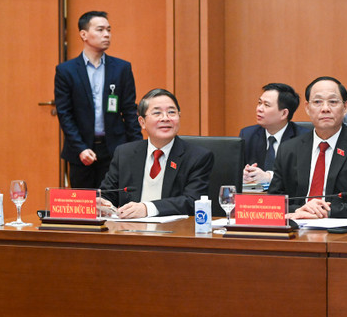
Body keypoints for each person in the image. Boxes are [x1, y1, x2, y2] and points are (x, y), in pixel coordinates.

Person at [269, 76, 347, 219]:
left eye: (333, 102)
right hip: (296, 227)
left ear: (345, 107)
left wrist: (327, 212)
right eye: (318, 102)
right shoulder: (288, 149)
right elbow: (273, 202)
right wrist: (300, 209)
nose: (325, 109)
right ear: (307, 108)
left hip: (342, 232)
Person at [54, 11, 142, 188]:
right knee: (84, 206)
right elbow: (65, 114)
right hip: (81, 150)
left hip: (115, 149)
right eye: (100, 30)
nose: (107, 34)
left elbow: (130, 110)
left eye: (109, 30)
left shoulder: (121, 68)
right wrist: (80, 148)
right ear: (84, 34)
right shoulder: (66, 71)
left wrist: (137, 148)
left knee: (114, 204)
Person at [99, 88, 214, 218]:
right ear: (142, 122)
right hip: (129, 232)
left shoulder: (198, 157)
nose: (165, 118)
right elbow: (107, 193)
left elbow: (193, 201)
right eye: (157, 113)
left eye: (171, 112)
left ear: (179, 117)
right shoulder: (125, 153)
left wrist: (147, 208)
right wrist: (103, 204)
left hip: (175, 232)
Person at [240, 83, 310, 185]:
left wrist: (269, 177)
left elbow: (303, 176)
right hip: (255, 196)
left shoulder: (303, 138)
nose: (259, 108)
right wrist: (245, 174)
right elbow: (236, 170)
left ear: (284, 113)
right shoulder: (248, 134)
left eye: (266, 105)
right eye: (259, 103)